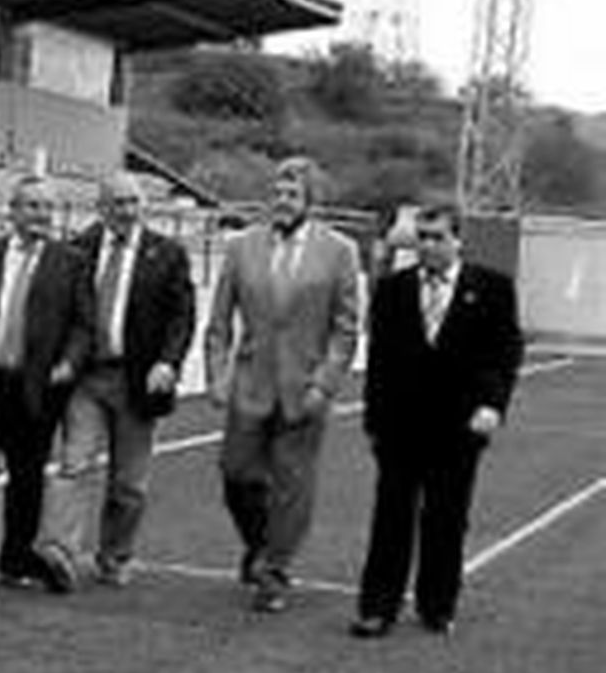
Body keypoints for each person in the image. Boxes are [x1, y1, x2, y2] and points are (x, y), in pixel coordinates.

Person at [350, 200, 524, 638]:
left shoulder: (492, 289)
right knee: (391, 517)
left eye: (437, 237)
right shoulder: (393, 290)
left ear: (457, 239)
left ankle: (437, 604)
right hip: (401, 426)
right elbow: (381, 361)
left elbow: (505, 354)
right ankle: (377, 607)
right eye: (421, 238)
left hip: (459, 425)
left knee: (446, 518)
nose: (427, 246)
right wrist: (374, 421)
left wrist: (492, 406)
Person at [204, 156, 360, 613]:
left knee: (293, 486)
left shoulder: (339, 252)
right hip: (251, 383)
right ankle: (260, 545)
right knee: (236, 474)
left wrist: (326, 383)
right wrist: (217, 373)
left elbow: (346, 328)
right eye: (277, 191)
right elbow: (219, 322)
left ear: (311, 200)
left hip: (305, 388)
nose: (282, 200)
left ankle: (273, 572)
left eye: (292, 193)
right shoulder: (241, 247)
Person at [34, 172, 196, 587]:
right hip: (87, 380)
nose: (126, 210)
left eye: (133, 202)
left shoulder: (168, 253)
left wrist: (168, 363)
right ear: (101, 207)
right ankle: (60, 551)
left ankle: (115, 554)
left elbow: (182, 317)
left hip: (139, 382)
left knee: (129, 483)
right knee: (74, 463)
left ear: (143, 205)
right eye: (118, 202)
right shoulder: (77, 251)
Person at [0, 175, 92, 592]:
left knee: (26, 479)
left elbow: (83, 324)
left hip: (35, 387)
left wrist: (69, 363)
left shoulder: (71, 261)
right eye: (32, 206)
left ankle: (15, 559)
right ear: (13, 211)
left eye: (47, 207)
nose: (41, 215)